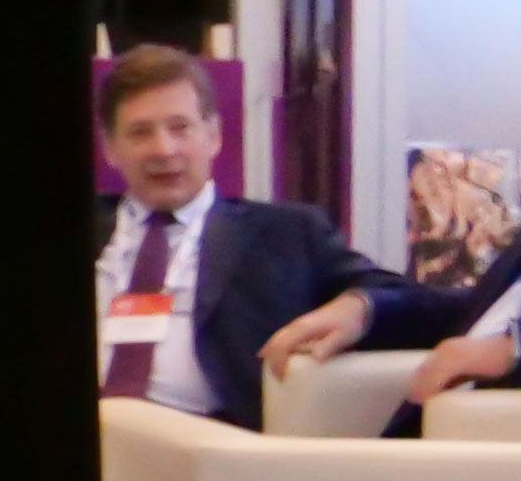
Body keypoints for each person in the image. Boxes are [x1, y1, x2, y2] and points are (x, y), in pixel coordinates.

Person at [105, 47, 473, 427]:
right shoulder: (75, 235)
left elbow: (428, 308)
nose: (163, 149)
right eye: (140, 132)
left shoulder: (287, 234)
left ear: (213, 136)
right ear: (110, 148)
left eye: (180, 128)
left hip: (205, 444)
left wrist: (360, 306)